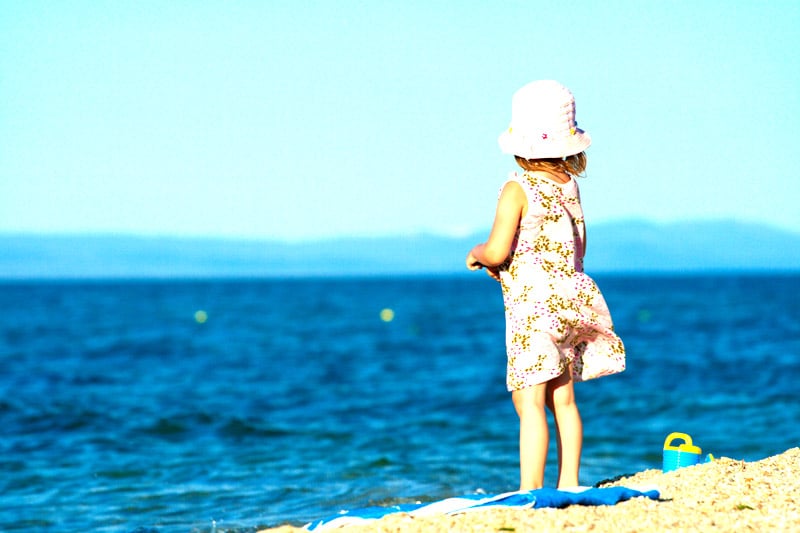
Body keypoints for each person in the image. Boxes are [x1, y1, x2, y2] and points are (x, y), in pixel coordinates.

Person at [466, 80, 626, 491]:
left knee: (529, 401)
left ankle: (531, 489)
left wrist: (478, 253)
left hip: (532, 309)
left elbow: (499, 249)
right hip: (571, 297)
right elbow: (577, 245)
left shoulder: (517, 187)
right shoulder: (569, 186)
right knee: (564, 399)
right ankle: (570, 481)